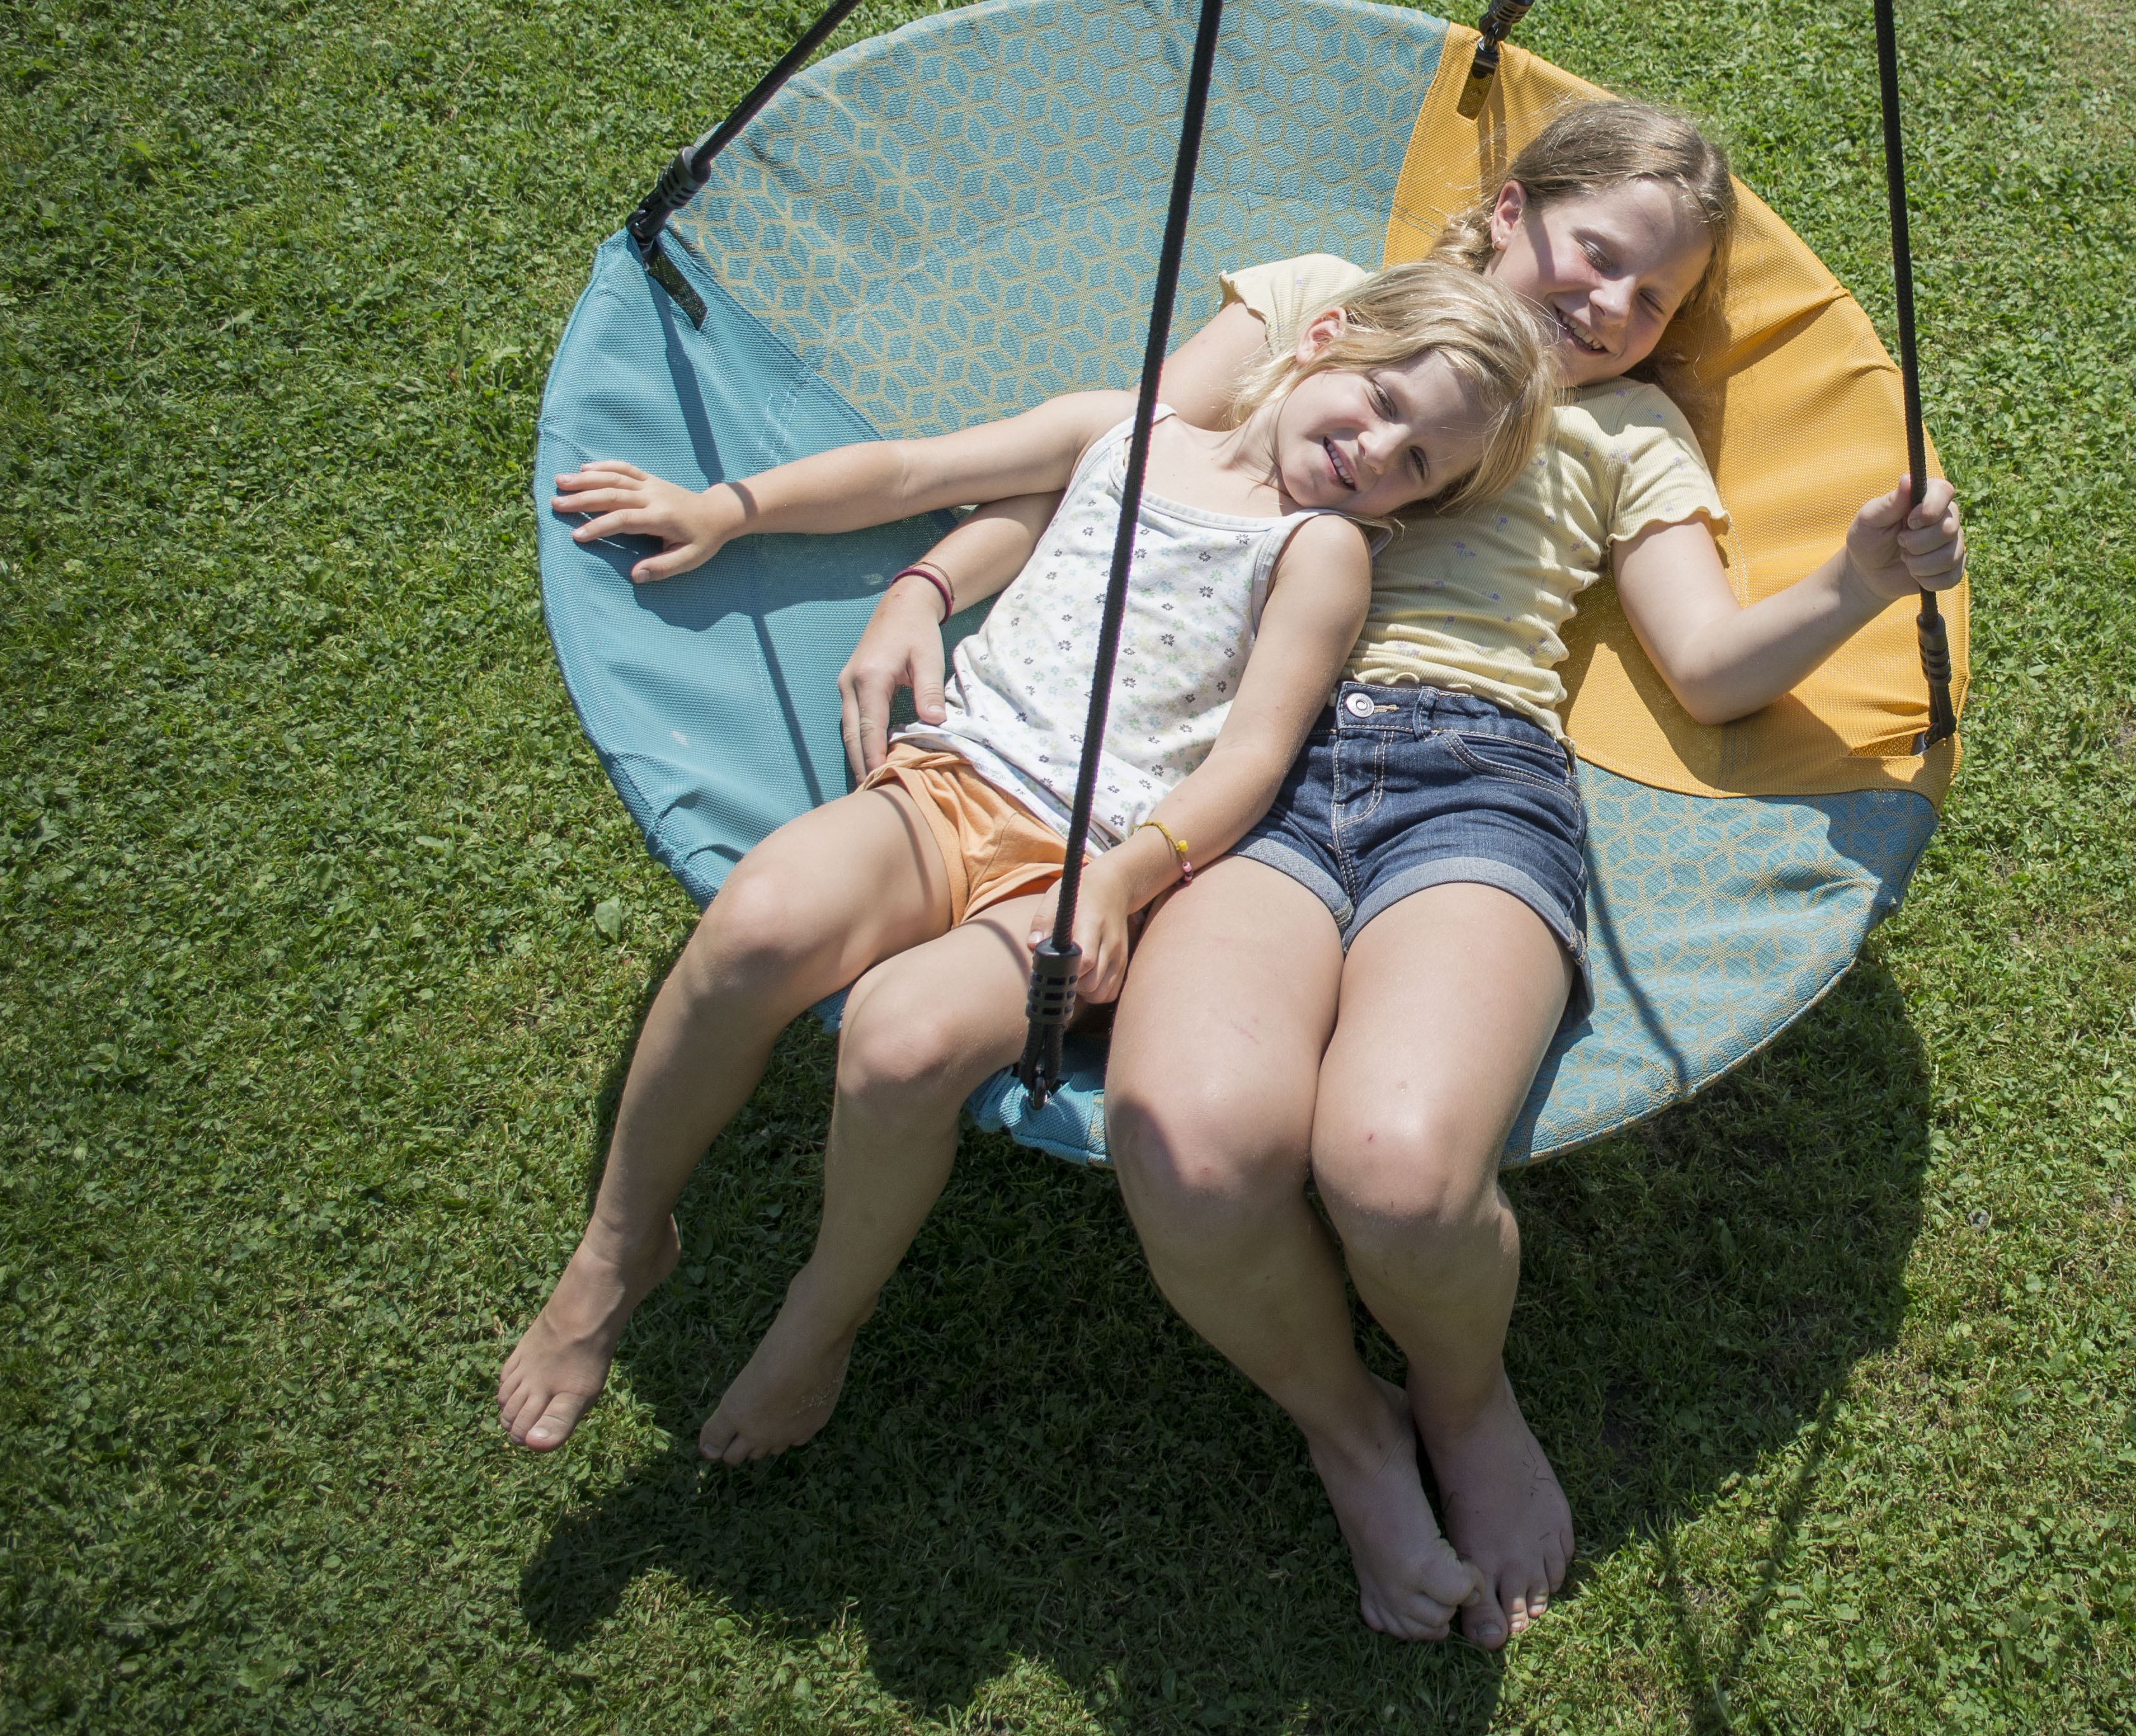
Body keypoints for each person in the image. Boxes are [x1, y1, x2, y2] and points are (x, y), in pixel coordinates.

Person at [833, 98, 1966, 1645]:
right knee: (1191, 1140)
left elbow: (1705, 667)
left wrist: (1856, 578)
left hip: (1470, 773)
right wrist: (927, 579)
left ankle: (1465, 1390)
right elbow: (1119, 478)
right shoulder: (1325, 309)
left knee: (1398, 1168)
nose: (1618, 309)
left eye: (1658, 300)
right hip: (1243, 775)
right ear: (1507, 210)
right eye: (1599, 255)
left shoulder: (1629, 432)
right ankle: (1349, 1426)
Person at [494, 264, 1554, 1466]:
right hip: (947, 787)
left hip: (1082, 866)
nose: (1378, 451)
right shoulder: (1122, 429)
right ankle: (622, 1242)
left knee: (900, 1044)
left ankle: (821, 1314)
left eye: (1420, 463)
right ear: (1325, 338)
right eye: (1382, 404)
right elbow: (916, 471)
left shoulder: (1319, 554)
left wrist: (1120, 883)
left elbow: (1251, 763)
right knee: (757, 923)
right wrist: (732, 509)